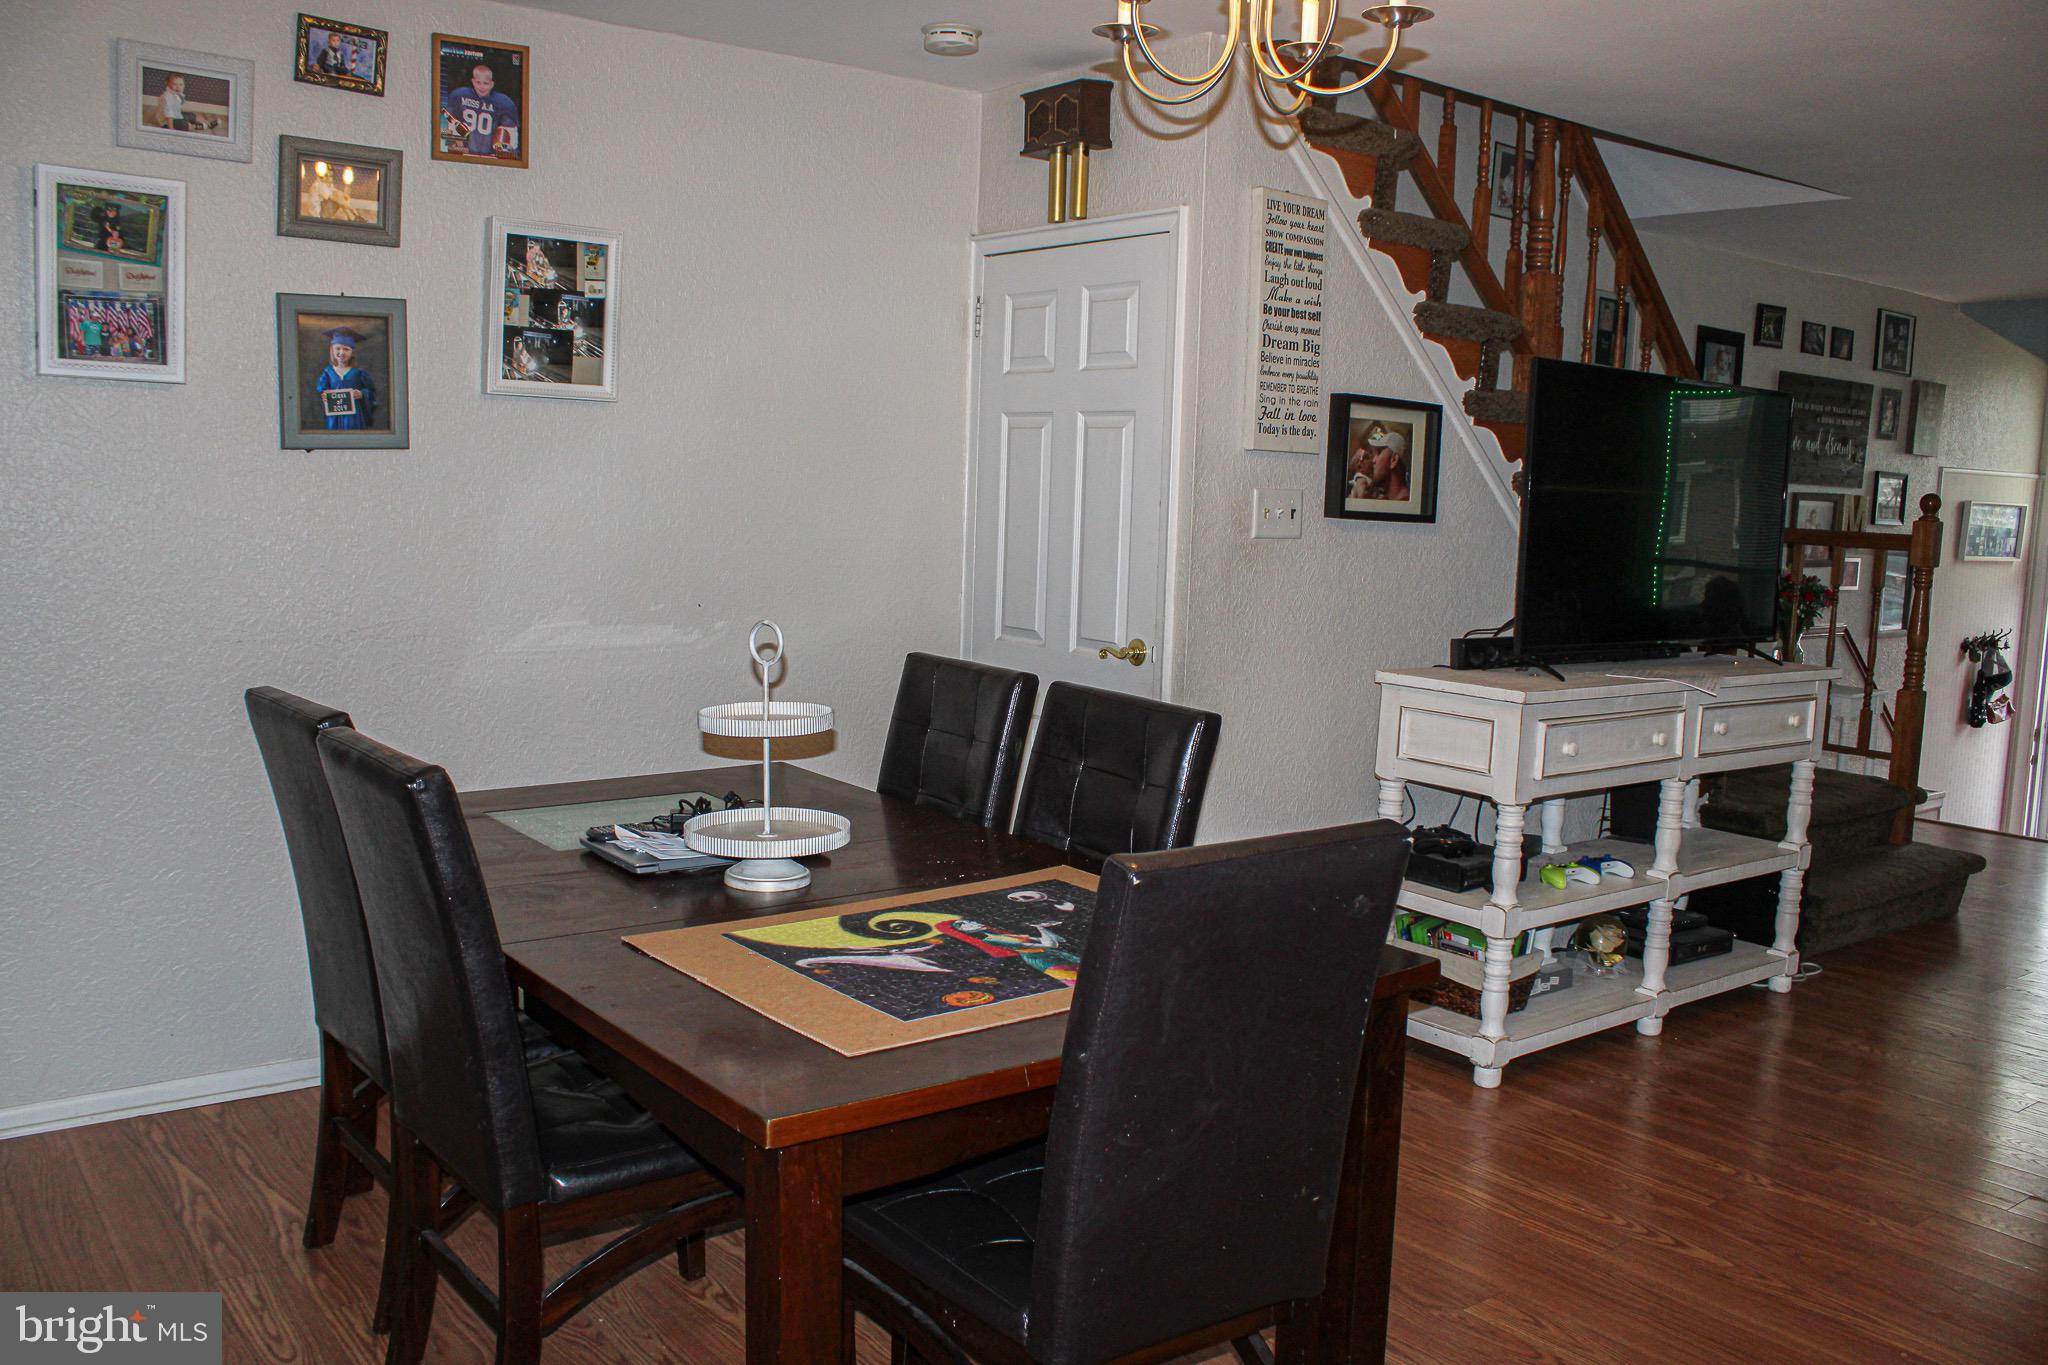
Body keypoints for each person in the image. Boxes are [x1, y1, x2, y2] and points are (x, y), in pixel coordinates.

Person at [441, 61, 519, 159]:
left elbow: (510, 132)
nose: (482, 86)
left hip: (490, 156)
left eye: (485, 83)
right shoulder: (459, 96)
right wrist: (455, 146)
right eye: (478, 82)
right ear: (473, 81)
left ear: (492, 84)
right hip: (465, 153)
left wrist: (506, 151)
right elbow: (451, 123)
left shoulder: (504, 102)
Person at [314, 326, 375, 430]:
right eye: (337, 348)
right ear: (332, 350)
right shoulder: (328, 372)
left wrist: (361, 394)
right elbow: (322, 389)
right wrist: (324, 394)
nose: (341, 353)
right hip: (333, 416)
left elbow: (371, 392)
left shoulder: (359, 372)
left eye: (346, 349)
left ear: (352, 352)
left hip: (354, 417)